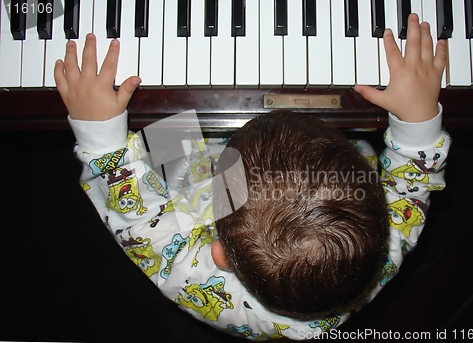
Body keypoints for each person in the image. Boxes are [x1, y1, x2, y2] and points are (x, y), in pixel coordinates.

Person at [56, 13, 450, 340]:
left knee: (165, 123)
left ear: (221, 255)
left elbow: (141, 222)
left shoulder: (192, 278)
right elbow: (410, 184)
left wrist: (103, 136)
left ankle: (206, 147)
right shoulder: (384, 248)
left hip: (196, 177)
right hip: (313, 179)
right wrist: (418, 119)